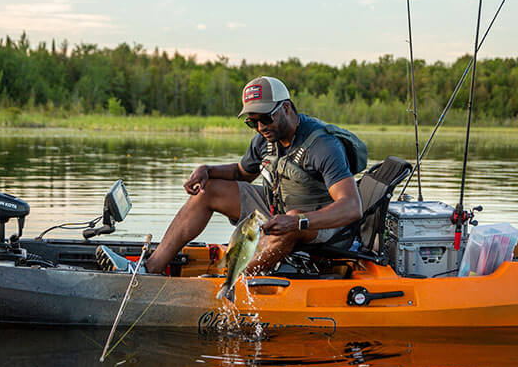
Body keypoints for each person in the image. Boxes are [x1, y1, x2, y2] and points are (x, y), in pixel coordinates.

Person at [99, 76, 363, 274]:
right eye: (251, 121)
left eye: (265, 118)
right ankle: (149, 268)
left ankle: (233, 282)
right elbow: (242, 173)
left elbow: (352, 207)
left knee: (291, 219)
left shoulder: (323, 145)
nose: (260, 127)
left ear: (286, 108)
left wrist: (297, 223)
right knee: (210, 189)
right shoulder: (264, 138)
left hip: (321, 225)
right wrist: (207, 171)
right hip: (280, 209)